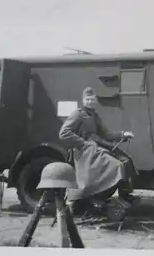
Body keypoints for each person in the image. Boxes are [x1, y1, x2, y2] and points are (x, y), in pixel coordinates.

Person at [59, 87, 139, 215]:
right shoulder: (78, 114)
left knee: (125, 161)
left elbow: (106, 134)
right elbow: (64, 133)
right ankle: (97, 197)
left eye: (92, 99)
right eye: (87, 99)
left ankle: (125, 196)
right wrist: (82, 143)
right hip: (85, 152)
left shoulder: (94, 115)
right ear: (83, 100)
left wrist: (123, 134)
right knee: (116, 166)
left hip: (96, 147)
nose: (90, 102)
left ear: (95, 100)